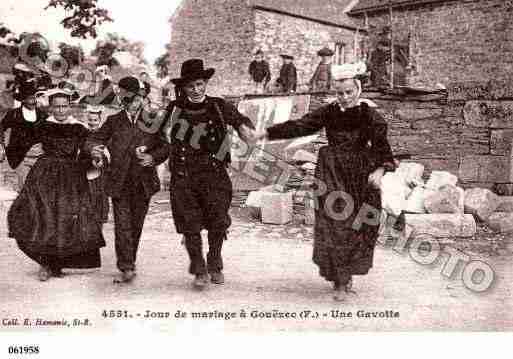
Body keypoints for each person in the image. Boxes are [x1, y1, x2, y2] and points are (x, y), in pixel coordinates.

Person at [251, 63, 395, 301]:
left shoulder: (371, 116)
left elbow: (383, 150)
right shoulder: (329, 112)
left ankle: (346, 274)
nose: (345, 97)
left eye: (349, 92)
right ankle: (339, 280)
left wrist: (380, 171)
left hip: (359, 175)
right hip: (331, 172)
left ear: (357, 89)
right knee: (334, 225)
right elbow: (300, 125)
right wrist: (267, 133)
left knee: (357, 226)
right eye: (340, 93)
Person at [162, 59, 254, 289]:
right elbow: (161, 137)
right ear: (183, 87)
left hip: (214, 174)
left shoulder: (218, 106)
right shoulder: (174, 109)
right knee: (190, 224)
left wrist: (246, 132)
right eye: (191, 86)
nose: (196, 90)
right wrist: (162, 164)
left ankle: (215, 261)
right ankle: (199, 268)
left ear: (205, 84)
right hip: (184, 175)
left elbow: (240, 122)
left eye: (200, 84)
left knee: (218, 221)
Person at [7, 87, 105, 281]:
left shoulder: (79, 128)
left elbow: (87, 148)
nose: (60, 111)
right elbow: (21, 142)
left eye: (64, 106)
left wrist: (94, 156)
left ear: (70, 107)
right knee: (43, 216)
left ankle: (57, 263)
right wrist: (8, 152)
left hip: (71, 177)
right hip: (45, 175)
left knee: (66, 218)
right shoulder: (42, 126)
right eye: (57, 107)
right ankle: (45, 263)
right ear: (51, 107)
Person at [87, 76, 169, 284]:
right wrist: (94, 150)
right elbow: (94, 139)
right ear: (123, 101)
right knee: (122, 225)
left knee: (136, 224)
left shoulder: (152, 121)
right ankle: (126, 266)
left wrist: (153, 157)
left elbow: (165, 147)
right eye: (131, 100)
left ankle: (130, 259)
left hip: (143, 182)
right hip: (119, 182)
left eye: (140, 98)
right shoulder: (114, 121)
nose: (136, 103)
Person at [0, 80, 47, 191]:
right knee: (25, 187)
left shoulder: (42, 115)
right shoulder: (14, 114)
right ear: (23, 99)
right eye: (30, 98)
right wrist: (1, 146)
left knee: (38, 186)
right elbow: (1, 128)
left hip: (39, 156)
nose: (33, 101)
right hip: (20, 156)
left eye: (34, 98)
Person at [85, 105, 110, 224]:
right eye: (90, 120)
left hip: (101, 171)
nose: (92, 123)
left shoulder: (104, 134)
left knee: (100, 195)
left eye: (95, 120)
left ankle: (99, 222)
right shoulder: (83, 133)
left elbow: (108, 151)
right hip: (86, 169)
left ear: (100, 121)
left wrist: (101, 159)